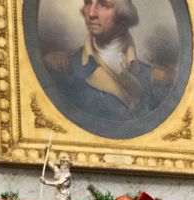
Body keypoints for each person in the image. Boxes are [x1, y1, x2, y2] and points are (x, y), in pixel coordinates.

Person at [43, 0, 175, 127]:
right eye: (88, 2)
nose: (91, 14)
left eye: (103, 4)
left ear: (123, 15)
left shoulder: (157, 78)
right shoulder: (62, 67)